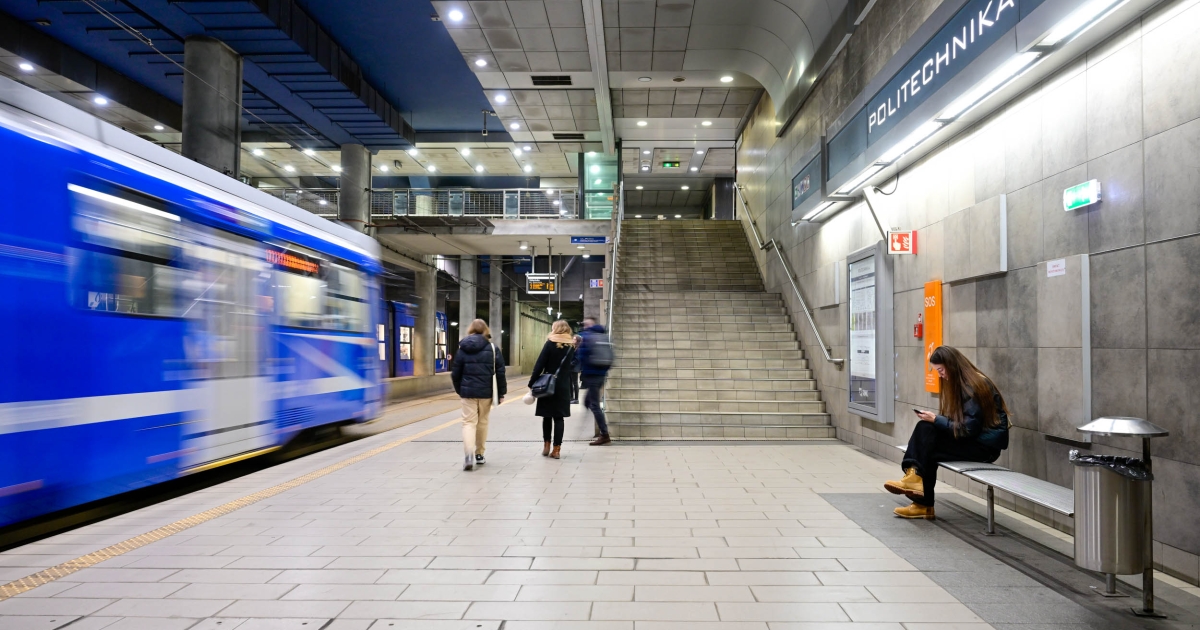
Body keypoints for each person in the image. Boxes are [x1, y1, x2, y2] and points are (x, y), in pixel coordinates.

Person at [886, 345, 1010, 519]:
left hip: (984, 448)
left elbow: (968, 429)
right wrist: (935, 420)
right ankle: (914, 483)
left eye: (941, 370)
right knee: (925, 429)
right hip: (973, 441)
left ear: (951, 365)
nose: (940, 375)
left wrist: (937, 419)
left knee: (927, 445)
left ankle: (921, 498)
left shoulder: (973, 386)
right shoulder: (964, 383)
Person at [451, 319, 506, 471]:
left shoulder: (462, 348)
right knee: (482, 422)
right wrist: (501, 393)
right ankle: (479, 454)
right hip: (486, 392)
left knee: (468, 423)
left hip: (467, 392)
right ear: (485, 331)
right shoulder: (493, 349)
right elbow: (500, 372)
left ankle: (468, 455)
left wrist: (460, 389)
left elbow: (455, 373)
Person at [529, 320, 576, 459]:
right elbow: (573, 365)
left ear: (555, 329)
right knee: (559, 418)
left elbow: (540, 364)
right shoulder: (571, 346)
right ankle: (557, 450)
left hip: (548, 384)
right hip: (563, 385)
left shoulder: (550, 343)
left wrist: (532, 382)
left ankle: (546, 445)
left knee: (547, 416)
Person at [577, 316, 612, 446]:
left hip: (591, 375)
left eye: (586, 325)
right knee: (588, 401)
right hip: (600, 375)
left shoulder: (587, 337)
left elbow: (581, 356)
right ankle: (585, 423)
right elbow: (611, 356)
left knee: (594, 405)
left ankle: (604, 434)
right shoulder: (604, 337)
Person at [568, 333, 582, 405]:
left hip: (574, 368)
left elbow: (577, 359)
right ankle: (571, 397)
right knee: (570, 383)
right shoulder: (573, 347)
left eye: (574, 339)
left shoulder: (578, 349)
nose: (573, 340)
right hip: (571, 368)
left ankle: (576, 399)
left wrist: (571, 364)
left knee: (575, 383)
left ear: (577, 341)